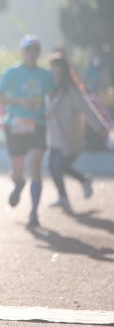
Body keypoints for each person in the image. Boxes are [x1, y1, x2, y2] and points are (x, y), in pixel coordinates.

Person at [0, 35, 54, 227]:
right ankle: (19, 183)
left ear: (39, 52)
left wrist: (49, 110)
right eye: (28, 49)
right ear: (22, 52)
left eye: (35, 49)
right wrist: (20, 101)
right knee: (17, 171)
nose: (32, 53)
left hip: (38, 125)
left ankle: (34, 212)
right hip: (16, 125)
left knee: (35, 165)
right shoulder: (10, 73)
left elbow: (53, 96)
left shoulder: (46, 76)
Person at [46, 51, 110, 213]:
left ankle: (81, 182)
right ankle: (65, 195)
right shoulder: (49, 89)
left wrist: (99, 126)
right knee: (52, 166)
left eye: (56, 67)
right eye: (51, 66)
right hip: (54, 136)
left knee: (60, 166)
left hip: (69, 136)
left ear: (63, 69)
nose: (52, 70)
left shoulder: (71, 90)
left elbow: (86, 108)